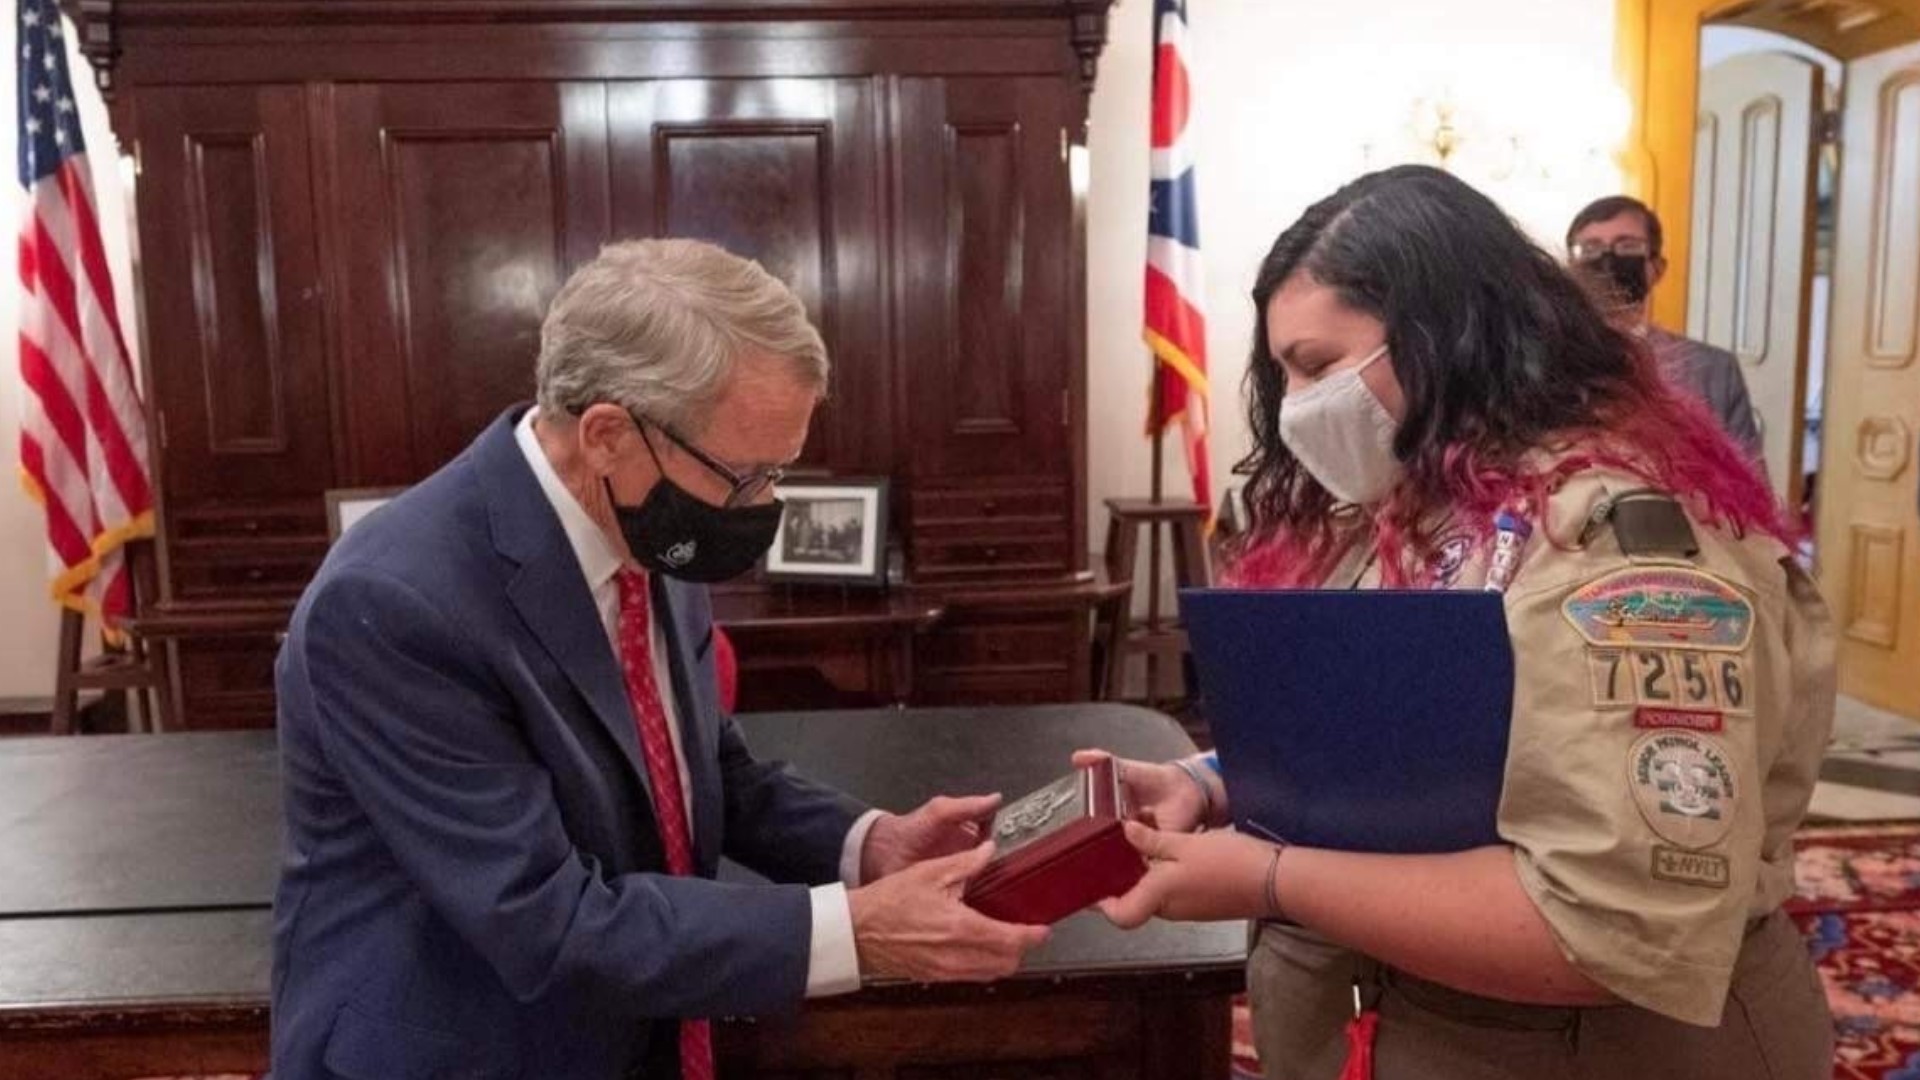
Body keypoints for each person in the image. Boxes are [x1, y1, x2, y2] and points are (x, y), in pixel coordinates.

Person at [1082, 166, 1835, 1079]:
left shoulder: (1617, 547)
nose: (1294, 408)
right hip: (1421, 1019)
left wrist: (1266, 878)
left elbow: (1607, 921)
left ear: (1446, 336)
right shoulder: (1416, 504)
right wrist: (1208, 783)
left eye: (1316, 367)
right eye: (1282, 373)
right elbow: (1416, 740)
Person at [271, 239, 1049, 1080]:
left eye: (779, 473)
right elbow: (545, 919)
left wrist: (867, 845)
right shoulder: (395, 602)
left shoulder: (647, 524)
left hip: (633, 1030)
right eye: (746, 476)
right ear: (607, 434)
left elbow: (701, 768)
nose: (767, 507)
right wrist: (853, 930)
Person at [1566, 195, 1764, 461]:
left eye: (1627, 246)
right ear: (1570, 268)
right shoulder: (1543, 365)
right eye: (1590, 248)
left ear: (1657, 268)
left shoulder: (1714, 370)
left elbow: (1749, 485)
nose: (1607, 258)